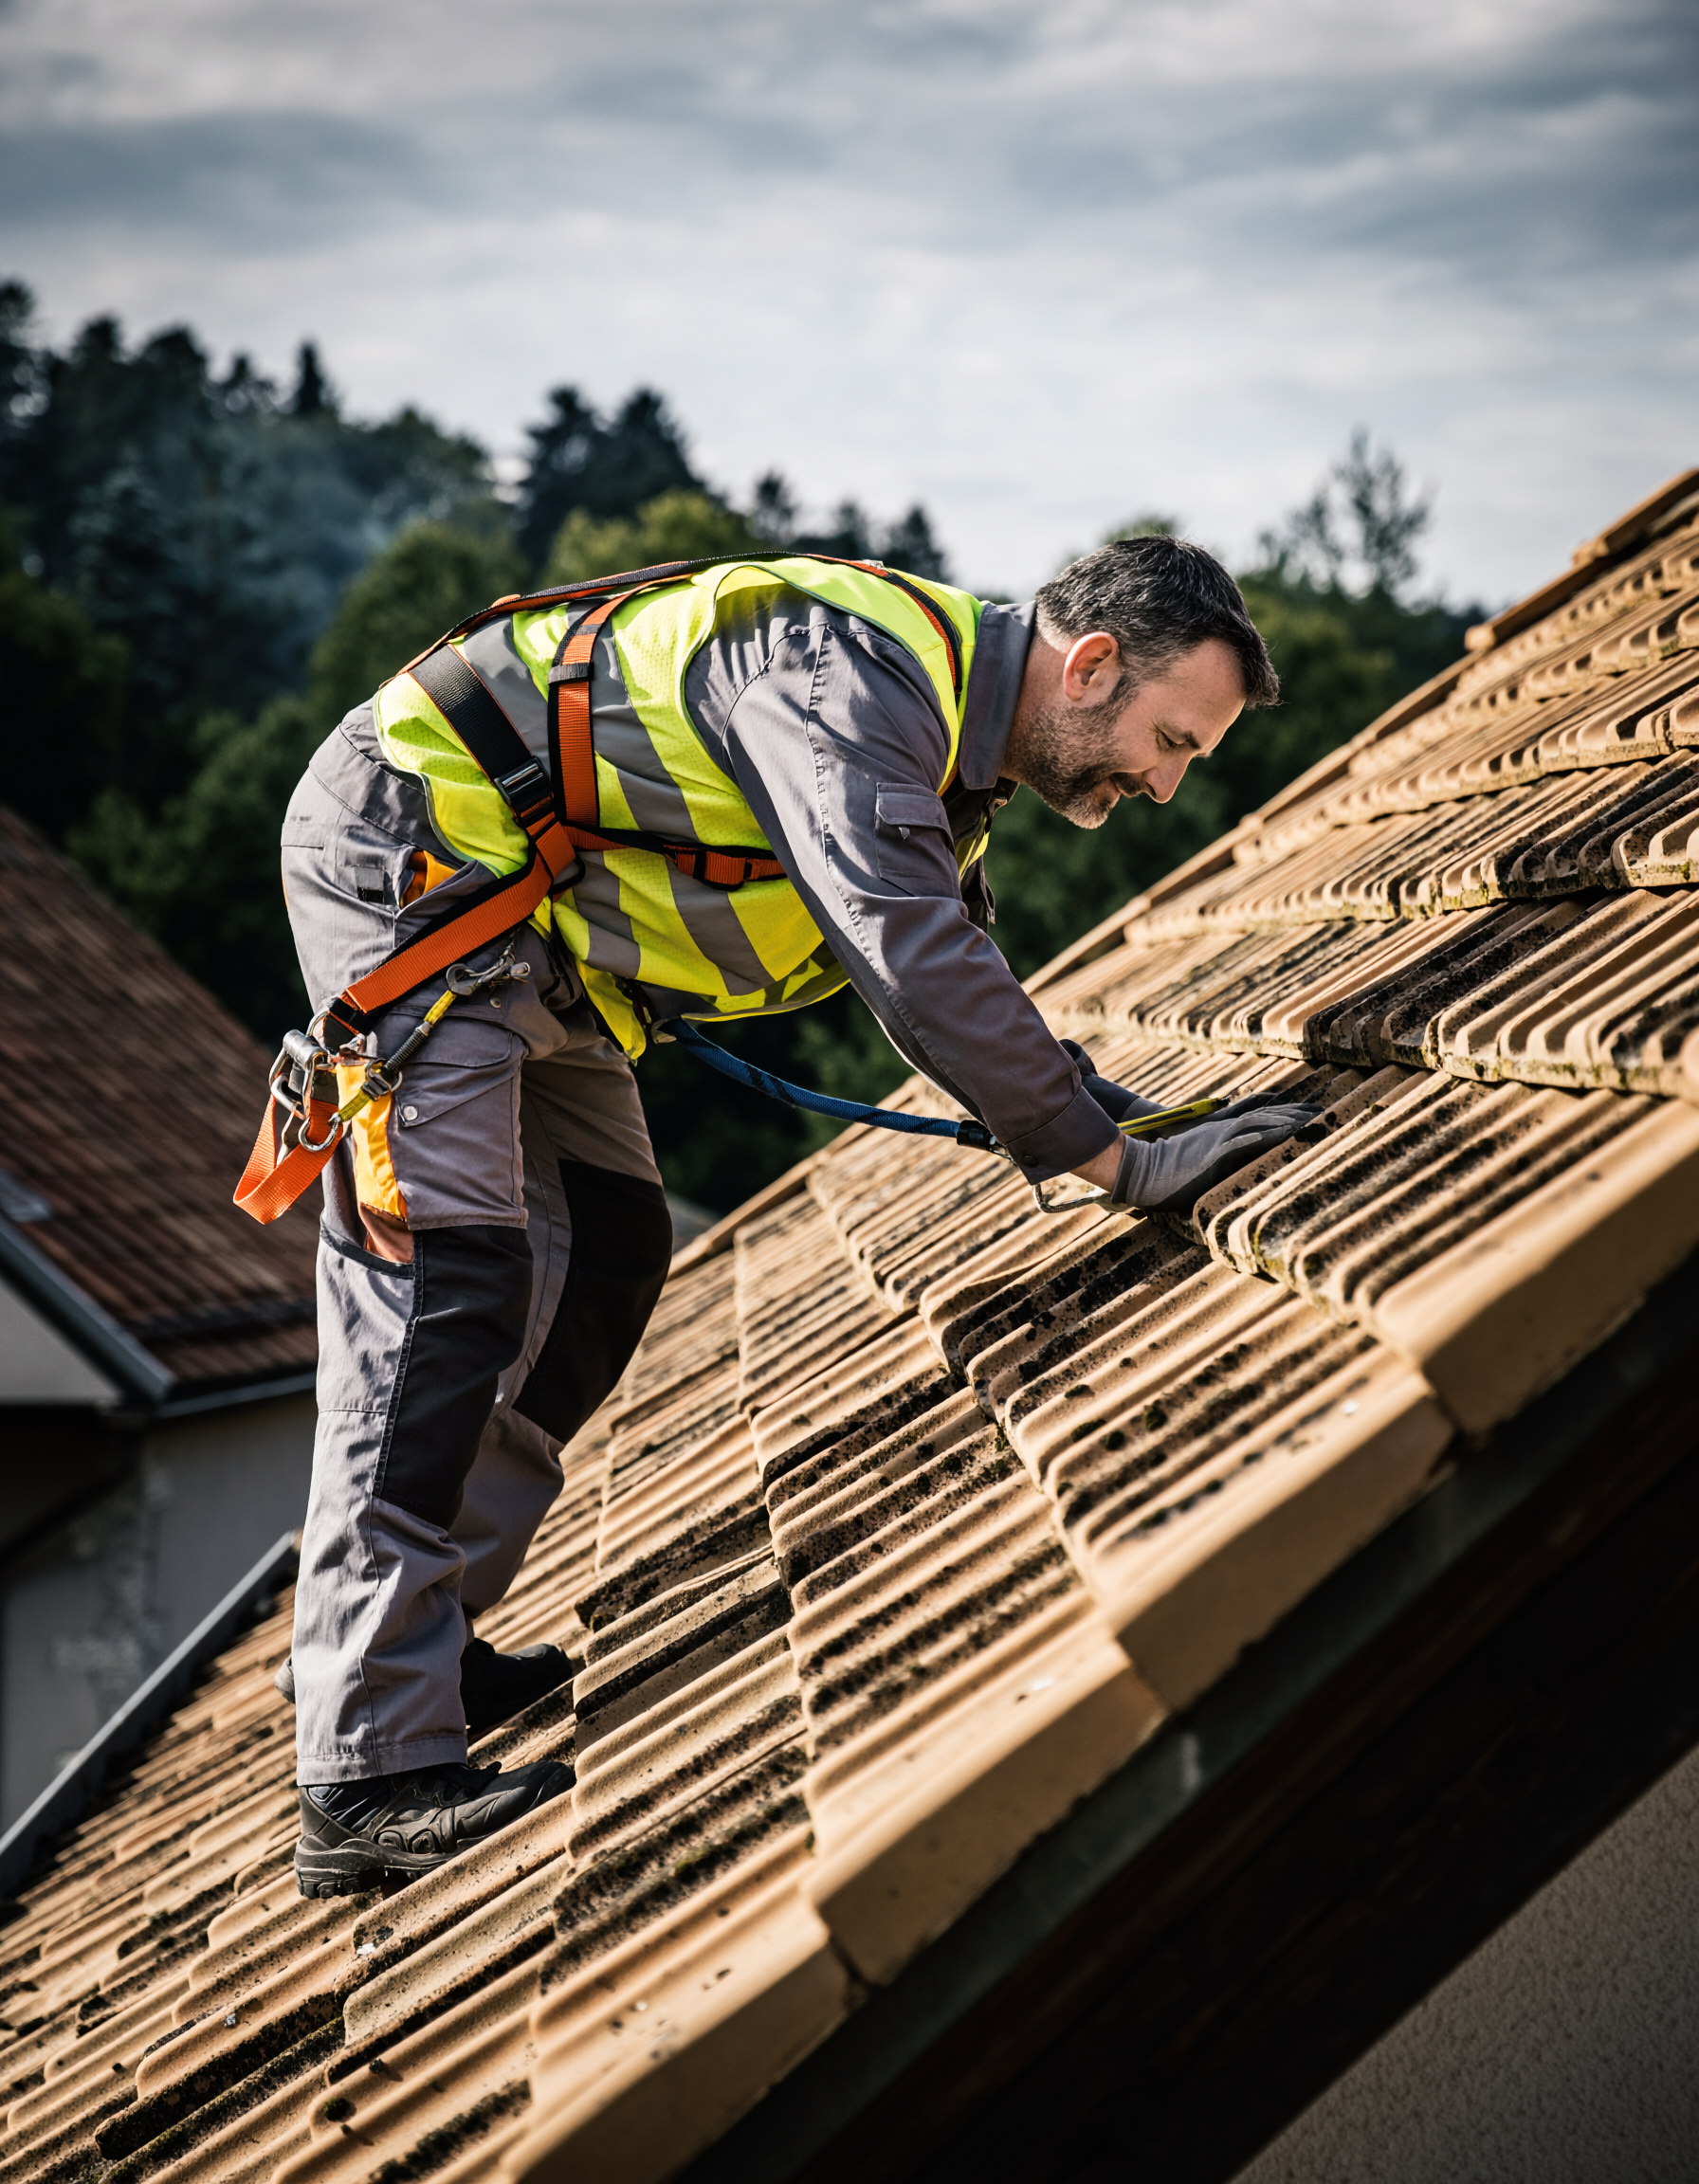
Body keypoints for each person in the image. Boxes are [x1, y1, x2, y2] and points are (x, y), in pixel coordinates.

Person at [277, 534, 1317, 1897]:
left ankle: (428, 1640)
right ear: (1093, 665)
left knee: (605, 1254)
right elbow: (911, 952)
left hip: (540, 932)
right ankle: (365, 1768)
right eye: (1171, 740)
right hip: (420, 867)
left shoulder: (955, 745)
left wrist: (1131, 1121)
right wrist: (1113, 1169)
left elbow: (963, 965)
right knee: (445, 1288)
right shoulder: (842, 675)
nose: (1167, 785)